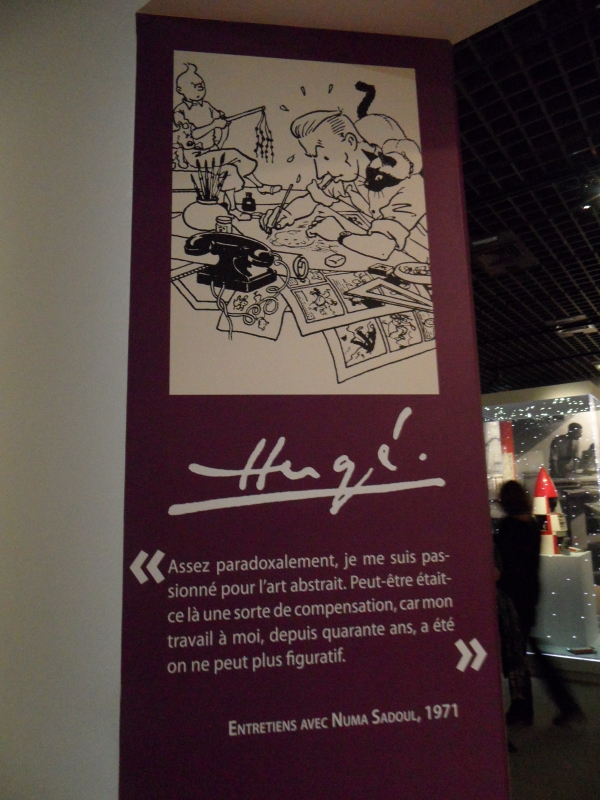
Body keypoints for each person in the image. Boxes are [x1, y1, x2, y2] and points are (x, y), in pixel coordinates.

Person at [496, 480, 584, 726]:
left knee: (516, 655)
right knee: (533, 654)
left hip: (513, 600)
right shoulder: (532, 526)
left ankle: (523, 706)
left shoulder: (508, 529)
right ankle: (564, 704)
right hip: (529, 597)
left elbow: (505, 568)